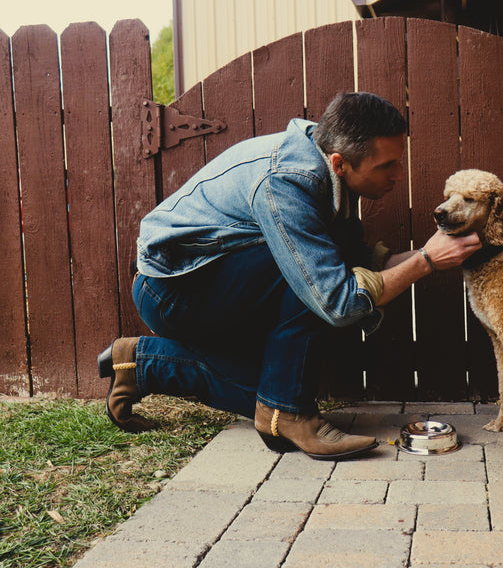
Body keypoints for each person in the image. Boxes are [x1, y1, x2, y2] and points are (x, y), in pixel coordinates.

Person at [98, 92, 481, 460]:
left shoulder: (327, 169)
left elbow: (356, 263)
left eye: (399, 161)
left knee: (265, 393)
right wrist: (426, 262)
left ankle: (140, 362)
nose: (399, 174)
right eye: (386, 166)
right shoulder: (288, 182)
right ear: (339, 162)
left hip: (213, 282)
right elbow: (335, 300)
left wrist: (431, 251)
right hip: (174, 294)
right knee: (305, 288)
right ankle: (291, 414)